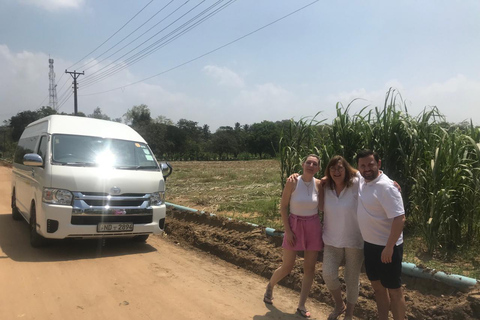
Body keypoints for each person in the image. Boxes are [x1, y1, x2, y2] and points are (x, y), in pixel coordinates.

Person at [263, 154, 324, 318]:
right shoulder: (293, 182)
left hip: (313, 226)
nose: (311, 165)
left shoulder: (319, 184)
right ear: (303, 164)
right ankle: (271, 285)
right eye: (308, 162)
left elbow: (340, 181)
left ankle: (301, 305)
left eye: (315, 164)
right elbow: (283, 207)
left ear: (318, 168)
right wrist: (288, 230)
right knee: (287, 266)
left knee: (309, 269)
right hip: (294, 225)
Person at [356, 149, 406, 320]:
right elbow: (338, 170)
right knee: (377, 288)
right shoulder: (361, 179)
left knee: (394, 290)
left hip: (387, 248)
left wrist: (389, 247)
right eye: (362, 165)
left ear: (378, 163)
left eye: (370, 164)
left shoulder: (387, 187)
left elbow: (400, 218)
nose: (366, 168)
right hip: (370, 246)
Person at [319, 156, 364, 320]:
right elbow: (320, 206)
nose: (336, 172)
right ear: (328, 171)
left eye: (340, 168)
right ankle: (339, 305)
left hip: (354, 240)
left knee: (351, 279)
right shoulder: (326, 187)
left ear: (346, 169)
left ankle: (349, 313)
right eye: (333, 169)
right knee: (328, 274)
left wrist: (392, 183)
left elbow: (372, 173)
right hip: (331, 240)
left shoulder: (356, 183)